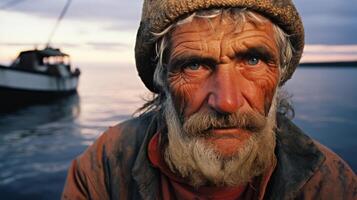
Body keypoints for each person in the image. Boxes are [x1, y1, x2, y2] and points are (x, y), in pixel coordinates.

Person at [62, 0, 357, 199]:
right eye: (194, 65)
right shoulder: (107, 165)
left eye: (252, 60)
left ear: (279, 73)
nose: (226, 102)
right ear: (162, 78)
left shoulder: (326, 184)